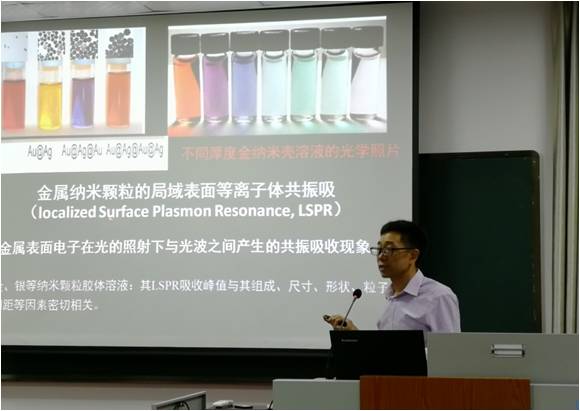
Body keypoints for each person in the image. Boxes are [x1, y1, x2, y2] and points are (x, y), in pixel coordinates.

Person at [324, 220, 460, 332]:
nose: (381, 256)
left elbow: (450, 352)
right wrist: (353, 333)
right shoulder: (390, 296)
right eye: (379, 249)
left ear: (413, 255)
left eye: (389, 249)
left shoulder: (438, 297)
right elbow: (385, 351)